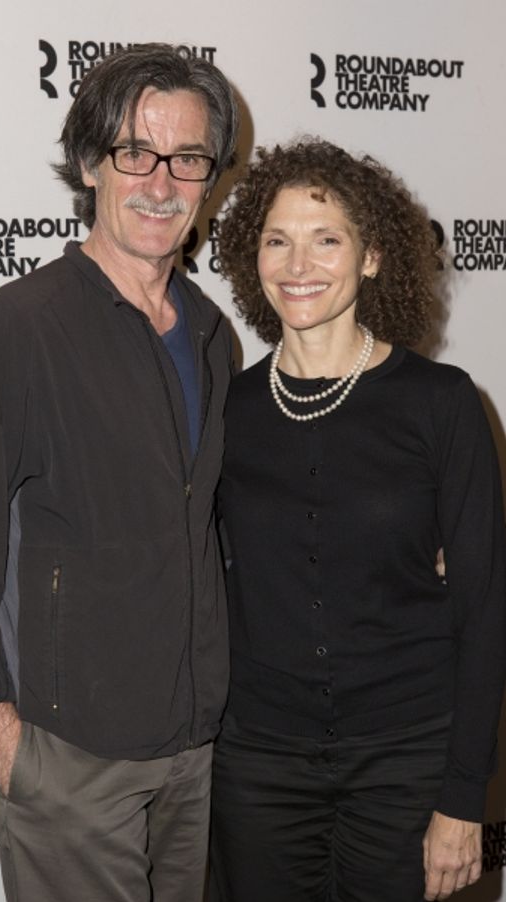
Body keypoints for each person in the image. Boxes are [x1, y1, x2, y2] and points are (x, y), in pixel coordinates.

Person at [0, 43, 238, 902]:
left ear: (210, 178)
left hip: (194, 757)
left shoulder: (212, 334)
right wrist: (3, 738)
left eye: (189, 158)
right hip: (70, 763)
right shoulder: (21, 325)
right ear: (92, 163)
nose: (161, 181)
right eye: (137, 152)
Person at [209, 137, 506, 902]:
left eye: (326, 238)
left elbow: (484, 610)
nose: (298, 263)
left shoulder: (441, 404)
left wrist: (463, 797)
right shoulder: (227, 411)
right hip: (260, 766)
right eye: (277, 239)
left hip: (406, 761)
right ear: (252, 257)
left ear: (371, 258)